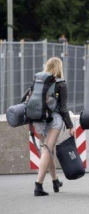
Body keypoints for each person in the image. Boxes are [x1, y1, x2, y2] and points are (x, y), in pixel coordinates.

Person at [21, 57, 75, 196]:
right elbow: (63, 108)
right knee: (48, 149)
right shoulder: (61, 84)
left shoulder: (38, 81)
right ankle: (38, 185)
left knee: (48, 149)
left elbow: (25, 98)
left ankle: (55, 181)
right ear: (59, 68)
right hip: (54, 120)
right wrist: (70, 125)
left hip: (37, 119)